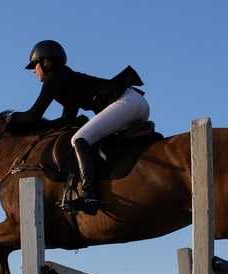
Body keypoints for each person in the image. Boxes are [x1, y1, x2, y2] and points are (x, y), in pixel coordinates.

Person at [9, 40, 150, 215]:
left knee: (79, 139)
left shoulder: (55, 78)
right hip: (137, 103)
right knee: (95, 140)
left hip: (126, 102)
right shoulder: (66, 79)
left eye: (35, 65)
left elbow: (33, 115)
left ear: (45, 62)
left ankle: (90, 196)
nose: (33, 71)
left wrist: (12, 118)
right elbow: (66, 120)